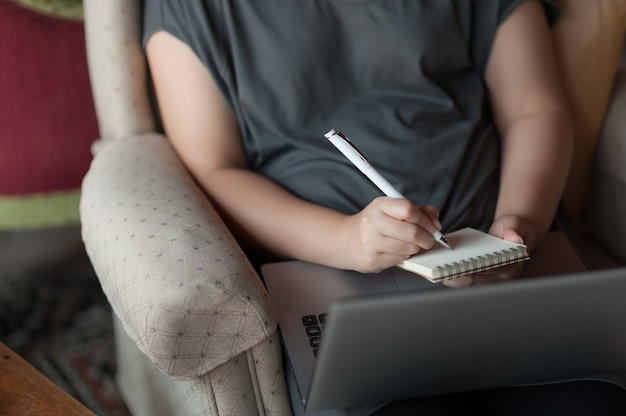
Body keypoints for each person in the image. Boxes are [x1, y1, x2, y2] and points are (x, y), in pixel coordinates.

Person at [142, 0, 626, 414]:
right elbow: (212, 171)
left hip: (515, 262)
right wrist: (345, 241)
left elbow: (535, 109)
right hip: (340, 283)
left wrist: (519, 228)